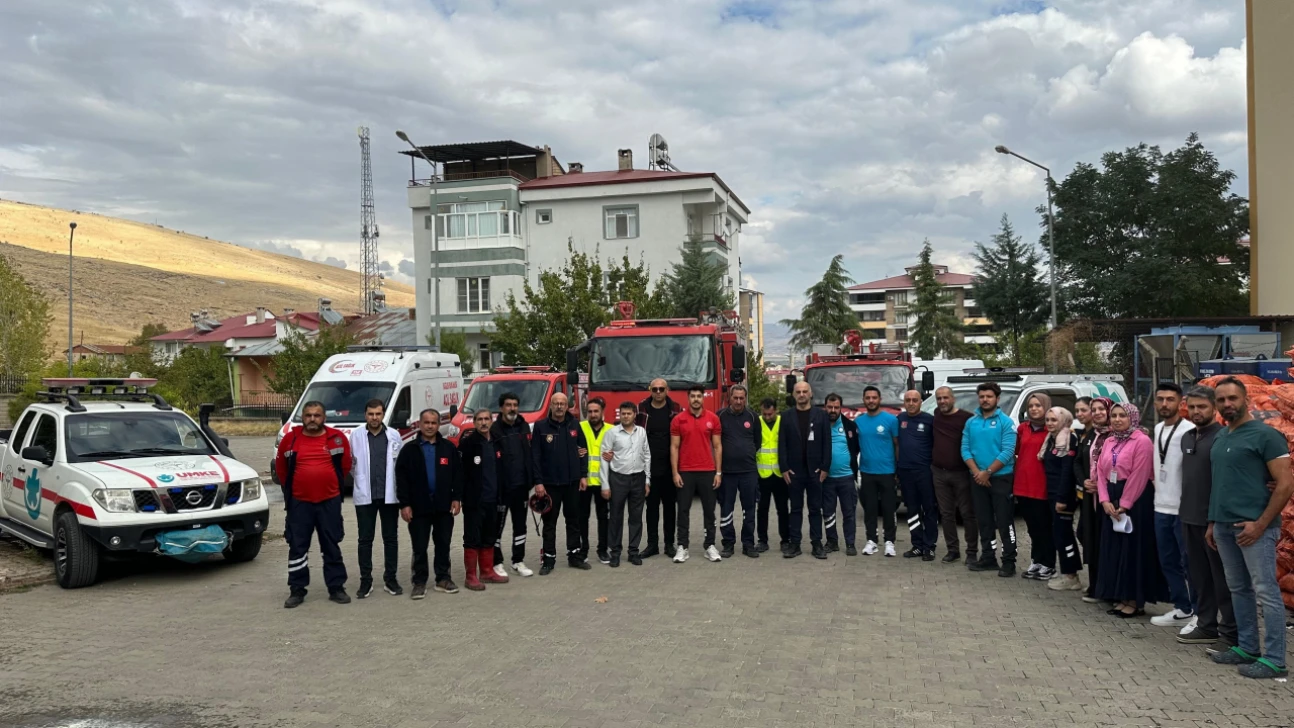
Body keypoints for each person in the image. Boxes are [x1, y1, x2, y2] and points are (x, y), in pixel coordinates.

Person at [1207, 377, 1293, 679]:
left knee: (1266, 591)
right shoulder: (1221, 437)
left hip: (1254, 527)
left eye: (1233, 398)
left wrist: (1261, 524)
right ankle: (1246, 647)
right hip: (1224, 526)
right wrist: (1213, 522)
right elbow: (1220, 483)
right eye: (1222, 400)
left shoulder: (1266, 436)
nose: (1228, 404)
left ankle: (1274, 659)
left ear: (1246, 400)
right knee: (1238, 588)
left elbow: (1284, 485)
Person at [277, 401, 354, 608]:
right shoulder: (290, 440)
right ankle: (297, 589)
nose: (312, 419)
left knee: (331, 544)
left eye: (317, 415)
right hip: (300, 504)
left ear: (324, 418)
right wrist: (296, 491)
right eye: (308, 415)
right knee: (298, 546)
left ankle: (336, 587)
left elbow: (345, 465)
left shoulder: (337, 438)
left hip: (329, 502)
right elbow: (282, 470)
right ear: (303, 417)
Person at [1177, 385, 1237, 648]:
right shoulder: (1187, 437)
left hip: (1213, 521)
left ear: (1214, 408)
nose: (1196, 411)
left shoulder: (1223, 438)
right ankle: (1206, 625)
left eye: (1201, 406)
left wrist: (1214, 520)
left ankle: (1230, 632)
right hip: (1188, 518)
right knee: (1199, 576)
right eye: (1192, 407)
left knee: (1222, 580)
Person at [1095, 402, 1168, 617]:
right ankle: (1120, 595)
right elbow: (1100, 471)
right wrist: (1104, 500)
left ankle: (1135, 600)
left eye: (1122, 416)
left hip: (1135, 501)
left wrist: (1125, 504)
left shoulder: (1142, 441)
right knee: (1115, 550)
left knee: (1133, 551)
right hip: (1111, 498)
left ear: (1132, 418)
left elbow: (1140, 474)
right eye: (1114, 415)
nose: (1117, 419)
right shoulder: (1109, 440)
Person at [395, 408, 463, 599]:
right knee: (419, 546)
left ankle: (443, 578)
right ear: (420, 424)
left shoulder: (448, 448)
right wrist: (404, 504)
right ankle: (419, 581)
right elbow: (401, 479)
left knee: (443, 543)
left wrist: (457, 498)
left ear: (439, 425)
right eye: (427, 422)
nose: (430, 426)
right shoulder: (409, 449)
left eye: (434, 423)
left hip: (443, 506)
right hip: (418, 507)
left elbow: (458, 475)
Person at [1149, 382, 1198, 628]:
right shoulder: (1157, 429)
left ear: (1181, 403)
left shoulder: (1190, 430)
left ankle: (1201, 614)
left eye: (1170, 399)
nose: (1164, 404)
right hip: (1160, 507)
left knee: (1190, 563)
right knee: (1167, 561)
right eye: (1160, 399)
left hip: (1182, 510)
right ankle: (1182, 608)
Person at [962, 381, 1018, 577]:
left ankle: (1009, 561)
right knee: (984, 521)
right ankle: (988, 557)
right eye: (982, 396)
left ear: (997, 399)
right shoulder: (971, 422)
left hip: (1001, 479)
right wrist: (978, 473)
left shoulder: (1006, 422)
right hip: (977, 479)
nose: (985, 400)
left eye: (989, 396)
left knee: (1005, 521)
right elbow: (965, 449)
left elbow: (1008, 451)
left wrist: (988, 472)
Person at [349, 398, 404, 599]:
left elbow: (399, 464)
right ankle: (366, 581)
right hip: (366, 496)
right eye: (371, 414)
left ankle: (391, 579)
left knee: (390, 539)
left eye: (378, 414)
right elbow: (352, 465)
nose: (374, 417)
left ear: (383, 415)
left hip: (389, 496)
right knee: (365, 540)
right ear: (365, 415)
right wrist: (362, 480)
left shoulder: (394, 435)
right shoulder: (355, 436)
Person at [531, 392, 589, 575]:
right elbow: (535, 457)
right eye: (555, 403)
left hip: (572, 483)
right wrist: (538, 483)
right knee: (549, 523)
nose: (559, 406)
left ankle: (575, 557)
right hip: (549, 485)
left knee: (573, 521)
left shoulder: (574, 425)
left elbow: (583, 451)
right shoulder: (541, 427)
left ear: (567, 406)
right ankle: (548, 560)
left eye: (562, 403)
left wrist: (583, 475)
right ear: (551, 405)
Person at [777, 381, 831, 559]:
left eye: (804, 391)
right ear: (793, 395)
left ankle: (817, 544)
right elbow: (782, 443)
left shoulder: (821, 415)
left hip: (815, 471)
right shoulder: (786, 416)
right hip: (794, 472)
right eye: (798, 392)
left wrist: (825, 467)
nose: (801, 395)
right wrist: (784, 467)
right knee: (796, 509)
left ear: (811, 394)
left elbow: (826, 443)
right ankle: (795, 544)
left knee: (815, 509)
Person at [671, 384, 724, 563]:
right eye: (692, 396)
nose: (695, 399)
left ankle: (709, 545)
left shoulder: (713, 419)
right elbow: (674, 447)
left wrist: (718, 472)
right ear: (688, 398)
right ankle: (682, 547)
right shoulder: (678, 420)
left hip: (707, 471)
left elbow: (717, 446)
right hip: (685, 472)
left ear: (703, 398)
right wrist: (675, 473)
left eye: (698, 396)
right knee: (683, 511)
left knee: (709, 511)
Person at [457, 409, 510, 591]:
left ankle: (487, 571)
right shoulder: (467, 444)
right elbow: (460, 474)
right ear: (474, 422)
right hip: (474, 501)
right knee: (472, 538)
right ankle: (470, 576)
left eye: (487, 419)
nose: (483, 423)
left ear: (492, 420)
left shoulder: (497, 442)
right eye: (479, 419)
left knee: (490, 536)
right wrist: (460, 497)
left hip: (494, 500)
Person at [601, 401, 651, 566]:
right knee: (615, 517)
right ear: (619, 415)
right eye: (623, 413)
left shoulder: (641, 432)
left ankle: (633, 552)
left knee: (636, 517)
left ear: (634, 415)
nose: (626, 416)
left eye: (629, 413)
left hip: (638, 478)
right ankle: (615, 553)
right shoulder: (612, 433)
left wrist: (647, 480)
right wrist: (605, 485)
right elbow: (604, 459)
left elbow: (647, 455)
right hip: (618, 479)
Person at [931, 386, 977, 565]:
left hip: (961, 474)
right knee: (946, 514)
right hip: (939, 473)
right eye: (939, 398)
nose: (942, 401)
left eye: (945, 398)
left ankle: (972, 551)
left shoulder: (967, 418)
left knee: (967, 514)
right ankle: (953, 550)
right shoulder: (936, 415)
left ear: (953, 398)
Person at [491, 391, 535, 577]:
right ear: (501, 408)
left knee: (520, 526)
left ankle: (518, 561)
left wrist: (532, 481)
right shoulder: (494, 430)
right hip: (502, 489)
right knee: (497, 527)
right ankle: (496, 562)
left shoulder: (523, 426)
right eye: (508, 405)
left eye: (515, 405)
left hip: (521, 487)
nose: (512, 408)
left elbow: (530, 455)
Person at [1042, 406, 1084, 591]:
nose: (1050, 423)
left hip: (1063, 495)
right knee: (1059, 534)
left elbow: (1067, 471)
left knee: (1064, 535)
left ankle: (1071, 575)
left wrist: (1061, 498)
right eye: (1048, 420)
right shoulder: (1052, 439)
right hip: (1052, 493)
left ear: (1064, 420)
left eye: (1054, 420)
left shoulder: (1068, 439)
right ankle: (1068, 572)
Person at [1014, 393, 1055, 580]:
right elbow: (1017, 451)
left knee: (1044, 527)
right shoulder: (1023, 428)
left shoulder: (1053, 429)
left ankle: (1048, 564)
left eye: (1038, 405)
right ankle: (1036, 561)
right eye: (1031, 406)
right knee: (1032, 528)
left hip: (1042, 487)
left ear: (1046, 407)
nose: (1034, 409)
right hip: (1023, 486)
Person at [717, 385, 762, 558]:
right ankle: (728, 544)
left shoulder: (753, 416)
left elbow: (757, 441)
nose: (738, 401)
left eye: (741, 398)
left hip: (748, 472)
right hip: (727, 472)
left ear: (745, 398)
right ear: (729, 398)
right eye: (735, 398)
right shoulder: (720, 416)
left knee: (749, 509)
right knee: (726, 509)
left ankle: (748, 544)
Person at [639, 379, 681, 559]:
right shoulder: (641, 408)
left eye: (661, 389)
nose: (657, 392)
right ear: (650, 390)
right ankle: (652, 544)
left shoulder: (675, 408)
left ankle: (669, 544)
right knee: (651, 509)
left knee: (670, 508)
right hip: (649, 468)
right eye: (654, 389)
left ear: (667, 390)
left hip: (670, 467)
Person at [1077, 396, 1113, 603]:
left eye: (1102, 409)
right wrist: (1084, 480)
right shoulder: (1091, 435)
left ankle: (1107, 586)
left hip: (1109, 497)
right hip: (1090, 496)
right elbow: (1077, 462)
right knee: (1090, 538)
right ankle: (1095, 584)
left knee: (1105, 541)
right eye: (1095, 409)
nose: (1098, 412)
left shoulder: (1116, 435)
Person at [857, 386, 899, 557]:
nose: (871, 400)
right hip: (867, 472)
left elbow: (897, 445)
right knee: (870, 509)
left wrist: (897, 469)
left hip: (888, 472)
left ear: (880, 399)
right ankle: (871, 541)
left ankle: (889, 542)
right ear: (864, 400)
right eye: (868, 398)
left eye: (874, 397)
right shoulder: (859, 422)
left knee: (889, 509)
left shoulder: (891, 420)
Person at [896, 389, 937, 561]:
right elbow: (895, 444)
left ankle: (930, 546)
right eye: (908, 400)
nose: (911, 403)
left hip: (925, 472)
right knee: (912, 510)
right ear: (904, 403)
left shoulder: (930, 421)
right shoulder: (899, 420)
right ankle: (917, 545)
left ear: (921, 402)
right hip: (905, 472)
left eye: (915, 400)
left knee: (929, 509)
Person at [821, 393, 860, 557]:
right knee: (828, 512)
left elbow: (856, 448)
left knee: (849, 512)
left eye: (836, 407)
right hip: (827, 478)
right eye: (830, 407)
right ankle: (832, 542)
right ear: (825, 407)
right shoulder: (819, 425)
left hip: (846, 477)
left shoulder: (850, 426)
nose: (833, 410)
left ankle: (850, 543)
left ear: (840, 408)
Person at [578, 397, 612, 565]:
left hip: (604, 483)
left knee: (603, 518)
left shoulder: (612, 429)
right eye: (589, 411)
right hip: (583, 482)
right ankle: (583, 550)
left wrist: (614, 455)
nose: (592, 414)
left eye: (595, 411)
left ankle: (603, 550)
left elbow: (620, 452)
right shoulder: (579, 427)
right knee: (582, 518)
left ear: (602, 412)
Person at [755, 397, 790, 554]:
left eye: (770, 414)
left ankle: (785, 540)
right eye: (765, 414)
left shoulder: (783, 422)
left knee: (782, 509)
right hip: (762, 474)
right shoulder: (757, 422)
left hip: (780, 474)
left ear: (775, 410)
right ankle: (762, 541)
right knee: (762, 509)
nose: (767, 417)